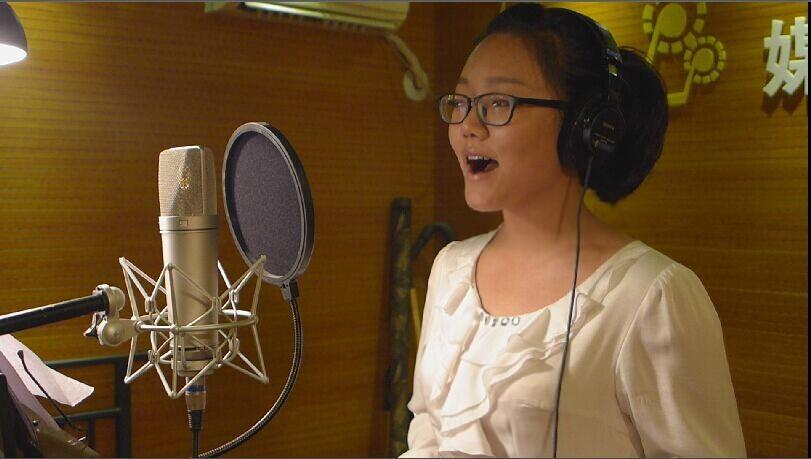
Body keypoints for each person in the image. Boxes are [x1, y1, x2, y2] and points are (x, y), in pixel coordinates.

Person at [401, 4, 746, 458]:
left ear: (584, 127)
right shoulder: (451, 269)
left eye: (498, 104)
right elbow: (426, 433)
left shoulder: (651, 295)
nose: (467, 126)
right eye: (461, 102)